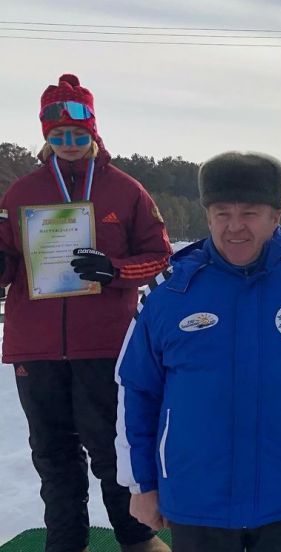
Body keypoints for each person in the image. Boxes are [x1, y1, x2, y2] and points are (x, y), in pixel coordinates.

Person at [116, 151, 281, 552]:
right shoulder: (169, 293)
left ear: (276, 216)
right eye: (222, 213)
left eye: (250, 213)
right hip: (196, 495)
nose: (235, 226)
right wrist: (141, 484)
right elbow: (135, 389)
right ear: (208, 217)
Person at [0, 74, 172, 552]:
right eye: (59, 135)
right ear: (46, 136)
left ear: (93, 131)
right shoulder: (21, 193)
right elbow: (8, 261)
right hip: (35, 347)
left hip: (104, 344)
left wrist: (114, 270)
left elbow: (159, 256)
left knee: (113, 448)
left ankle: (136, 538)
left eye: (78, 134)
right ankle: (65, 542)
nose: (69, 144)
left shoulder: (125, 190)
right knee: (52, 453)